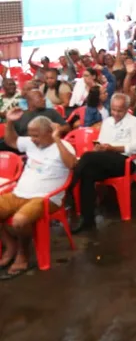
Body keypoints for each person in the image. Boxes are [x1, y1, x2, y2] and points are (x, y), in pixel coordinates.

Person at [0, 113, 77, 278]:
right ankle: (10, 245)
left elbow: (71, 164)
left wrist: (57, 139)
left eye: (36, 135)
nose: (32, 139)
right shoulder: (31, 142)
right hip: (19, 193)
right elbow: (11, 141)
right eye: (30, 135)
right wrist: (10, 123)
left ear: (49, 132)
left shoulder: (63, 146)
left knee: (19, 221)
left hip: (45, 198)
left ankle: (23, 253)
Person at [70, 94, 136, 232]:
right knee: (87, 173)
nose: (116, 113)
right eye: (113, 109)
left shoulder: (134, 123)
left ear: (127, 108)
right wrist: (99, 148)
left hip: (125, 162)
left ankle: (70, 186)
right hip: (107, 159)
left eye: (120, 110)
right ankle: (88, 220)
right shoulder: (107, 122)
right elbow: (102, 141)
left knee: (86, 157)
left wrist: (113, 148)